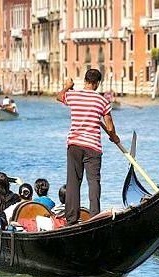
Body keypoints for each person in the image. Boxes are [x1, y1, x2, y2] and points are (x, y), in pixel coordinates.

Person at [56, 69, 120, 226]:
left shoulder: (73, 95)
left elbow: (59, 96)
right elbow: (110, 127)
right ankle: (94, 218)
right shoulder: (102, 101)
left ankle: (71, 220)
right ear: (97, 83)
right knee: (94, 183)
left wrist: (67, 86)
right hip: (93, 147)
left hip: (74, 145)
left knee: (73, 182)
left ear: (85, 80)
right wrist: (114, 137)